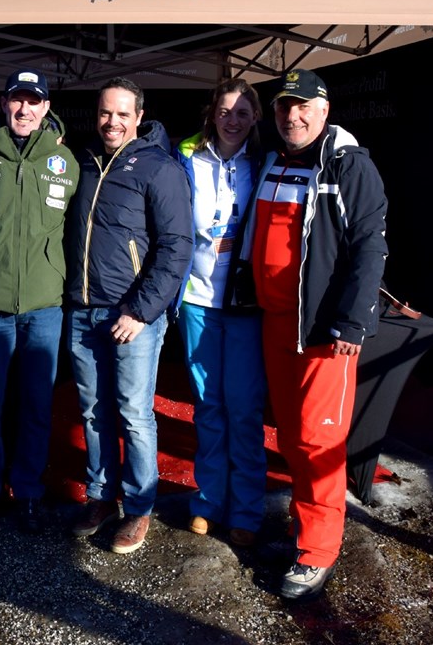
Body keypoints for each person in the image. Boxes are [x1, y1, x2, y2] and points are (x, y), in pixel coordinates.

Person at [241, 68, 387, 601]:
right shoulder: (275, 159)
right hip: (276, 322)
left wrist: (353, 321)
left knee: (317, 438)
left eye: (302, 106)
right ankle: (306, 526)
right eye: (283, 107)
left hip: (323, 331)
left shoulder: (348, 165)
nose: (292, 116)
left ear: (324, 111)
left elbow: (370, 245)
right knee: (290, 433)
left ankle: (318, 550)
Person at [64, 77, 194, 554]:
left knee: (134, 414)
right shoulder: (85, 161)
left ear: (139, 116)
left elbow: (177, 247)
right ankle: (101, 496)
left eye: (122, 113)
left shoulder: (159, 168)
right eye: (104, 112)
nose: (112, 122)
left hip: (132, 315)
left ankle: (139, 508)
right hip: (83, 311)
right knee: (94, 410)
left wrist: (140, 310)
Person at [0, 69, 79, 534]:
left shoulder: (65, 162)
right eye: (17, 100)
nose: (25, 109)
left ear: (46, 108)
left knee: (35, 406)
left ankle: (28, 491)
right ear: (3, 103)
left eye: (34, 101)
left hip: (44, 306)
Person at [175, 78, 267, 548]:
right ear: (213, 113)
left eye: (242, 113)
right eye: (225, 111)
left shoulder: (267, 161)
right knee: (209, 408)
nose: (233, 120)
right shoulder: (186, 159)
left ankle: (247, 510)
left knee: (245, 410)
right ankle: (208, 502)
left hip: (247, 305)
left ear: (255, 119)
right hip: (198, 299)